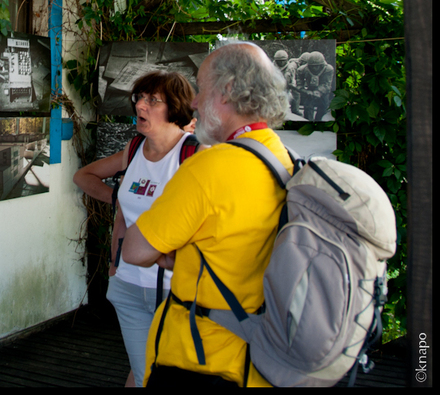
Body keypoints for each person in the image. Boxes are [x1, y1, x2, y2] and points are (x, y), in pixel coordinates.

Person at [122, 41, 293, 387]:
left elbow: (135, 251)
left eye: (201, 89)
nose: (195, 102)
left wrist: (172, 254)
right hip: (260, 361)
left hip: (198, 360)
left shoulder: (209, 167)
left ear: (227, 91)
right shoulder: (280, 157)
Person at [73, 71, 205, 387]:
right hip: (129, 286)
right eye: (139, 98)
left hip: (178, 290)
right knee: (144, 370)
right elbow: (96, 188)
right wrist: (115, 266)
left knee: (170, 375)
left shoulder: (195, 154)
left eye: (152, 100)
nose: (140, 107)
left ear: (175, 108)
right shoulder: (134, 150)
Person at [296, 50, 334, 121]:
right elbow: (299, 84)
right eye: (312, 66)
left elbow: (327, 84)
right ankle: (308, 123)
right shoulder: (302, 70)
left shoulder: (328, 69)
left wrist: (319, 91)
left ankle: (318, 121)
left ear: (321, 65)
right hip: (309, 90)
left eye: (317, 66)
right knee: (307, 108)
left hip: (323, 92)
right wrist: (304, 90)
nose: (314, 68)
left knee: (323, 108)